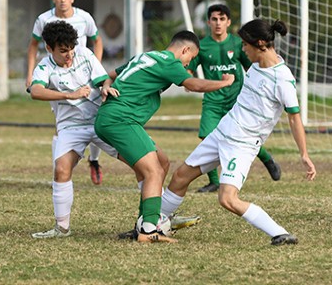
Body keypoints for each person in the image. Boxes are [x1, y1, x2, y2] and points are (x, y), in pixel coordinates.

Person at [159, 19, 317, 246]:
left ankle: (280, 233)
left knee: (227, 199)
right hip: (221, 132)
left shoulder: (282, 79)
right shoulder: (255, 66)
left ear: (260, 43)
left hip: (241, 145)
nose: (242, 49)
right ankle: (154, 223)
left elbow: (294, 118)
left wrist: (304, 154)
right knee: (180, 177)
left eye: (245, 44)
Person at [95, 30, 235, 243]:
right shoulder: (170, 63)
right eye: (191, 58)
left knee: (162, 161)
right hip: (120, 120)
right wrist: (224, 83)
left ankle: (144, 222)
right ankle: (150, 231)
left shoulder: (146, 56)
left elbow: (109, 75)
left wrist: (106, 86)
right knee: (153, 171)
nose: (188, 65)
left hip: (114, 119)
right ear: (185, 49)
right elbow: (194, 84)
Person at [29, 21, 119, 239]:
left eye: (71, 49)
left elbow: (102, 79)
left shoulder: (84, 54)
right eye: (62, 51)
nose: (69, 55)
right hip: (71, 127)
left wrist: (106, 87)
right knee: (61, 169)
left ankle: (162, 215)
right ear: (49, 49)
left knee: (140, 161)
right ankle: (62, 228)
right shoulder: (44, 67)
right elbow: (36, 91)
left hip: (100, 121)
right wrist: (69, 94)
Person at [189, 4, 282, 193]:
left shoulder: (238, 43)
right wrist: (187, 77)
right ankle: (214, 180)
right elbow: (189, 68)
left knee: (244, 138)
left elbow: (253, 66)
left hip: (237, 101)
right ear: (208, 22)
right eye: (214, 19)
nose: (218, 23)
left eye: (222, 19)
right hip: (213, 101)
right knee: (206, 136)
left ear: (228, 22)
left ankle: (265, 157)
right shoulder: (203, 45)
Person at [26, 0, 106, 186]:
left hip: (84, 71)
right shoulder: (43, 19)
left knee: (97, 113)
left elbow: (97, 41)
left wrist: (95, 66)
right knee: (64, 118)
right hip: (57, 77)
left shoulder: (84, 18)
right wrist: (30, 75)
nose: (63, 1)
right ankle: (60, 170)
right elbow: (33, 47)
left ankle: (94, 160)